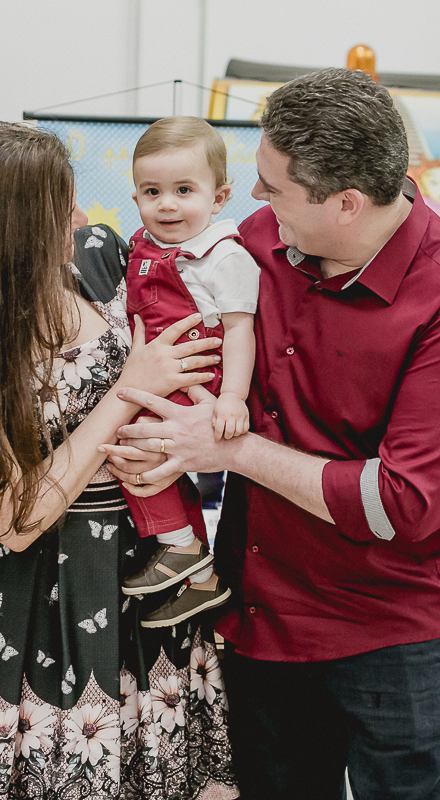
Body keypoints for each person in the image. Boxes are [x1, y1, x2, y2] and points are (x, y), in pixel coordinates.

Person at [103, 68, 440, 799]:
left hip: (396, 636)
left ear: (345, 204)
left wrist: (229, 450)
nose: (253, 199)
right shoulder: (255, 241)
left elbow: (403, 502)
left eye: (273, 186)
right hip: (263, 619)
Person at [0, 121, 238, 798]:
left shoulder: (95, 264)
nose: (80, 218)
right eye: (62, 207)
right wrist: (130, 388)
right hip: (35, 600)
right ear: (11, 230)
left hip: (142, 577)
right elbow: (12, 520)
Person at [119, 116, 260, 628]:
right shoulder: (141, 249)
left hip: (200, 381)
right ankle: (196, 574)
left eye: (184, 190)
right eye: (152, 191)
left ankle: (183, 551)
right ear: (135, 198)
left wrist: (232, 399)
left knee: (138, 453)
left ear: (219, 198)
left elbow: (242, 330)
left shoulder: (223, 256)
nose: (167, 204)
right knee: (128, 456)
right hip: (154, 373)